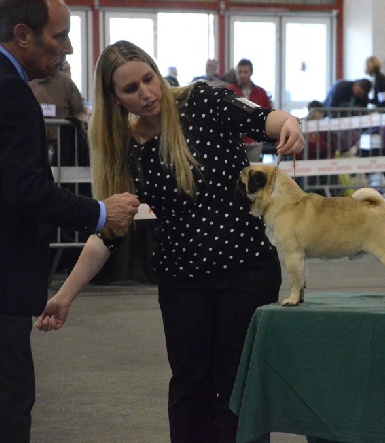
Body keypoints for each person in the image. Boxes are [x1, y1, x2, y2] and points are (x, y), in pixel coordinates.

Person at [34, 40, 304, 443]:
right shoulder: (122, 146)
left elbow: (265, 118)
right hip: (182, 279)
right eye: (131, 89)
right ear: (114, 98)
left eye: (149, 79)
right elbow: (109, 231)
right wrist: (65, 296)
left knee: (238, 386)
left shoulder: (203, 100)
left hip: (246, 269)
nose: (146, 93)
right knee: (188, 388)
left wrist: (289, 125)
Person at [0, 1, 140, 441]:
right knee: (9, 404)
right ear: (23, 35)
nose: (70, 48)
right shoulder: (11, 92)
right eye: (59, 36)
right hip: (5, 283)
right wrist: (99, 211)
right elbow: (23, 191)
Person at [227, 58, 273, 163]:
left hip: (254, 140)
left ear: (251, 73)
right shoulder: (230, 91)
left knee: (253, 169)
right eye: (240, 72)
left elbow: (267, 114)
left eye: (245, 72)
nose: (242, 75)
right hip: (234, 139)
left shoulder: (261, 93)